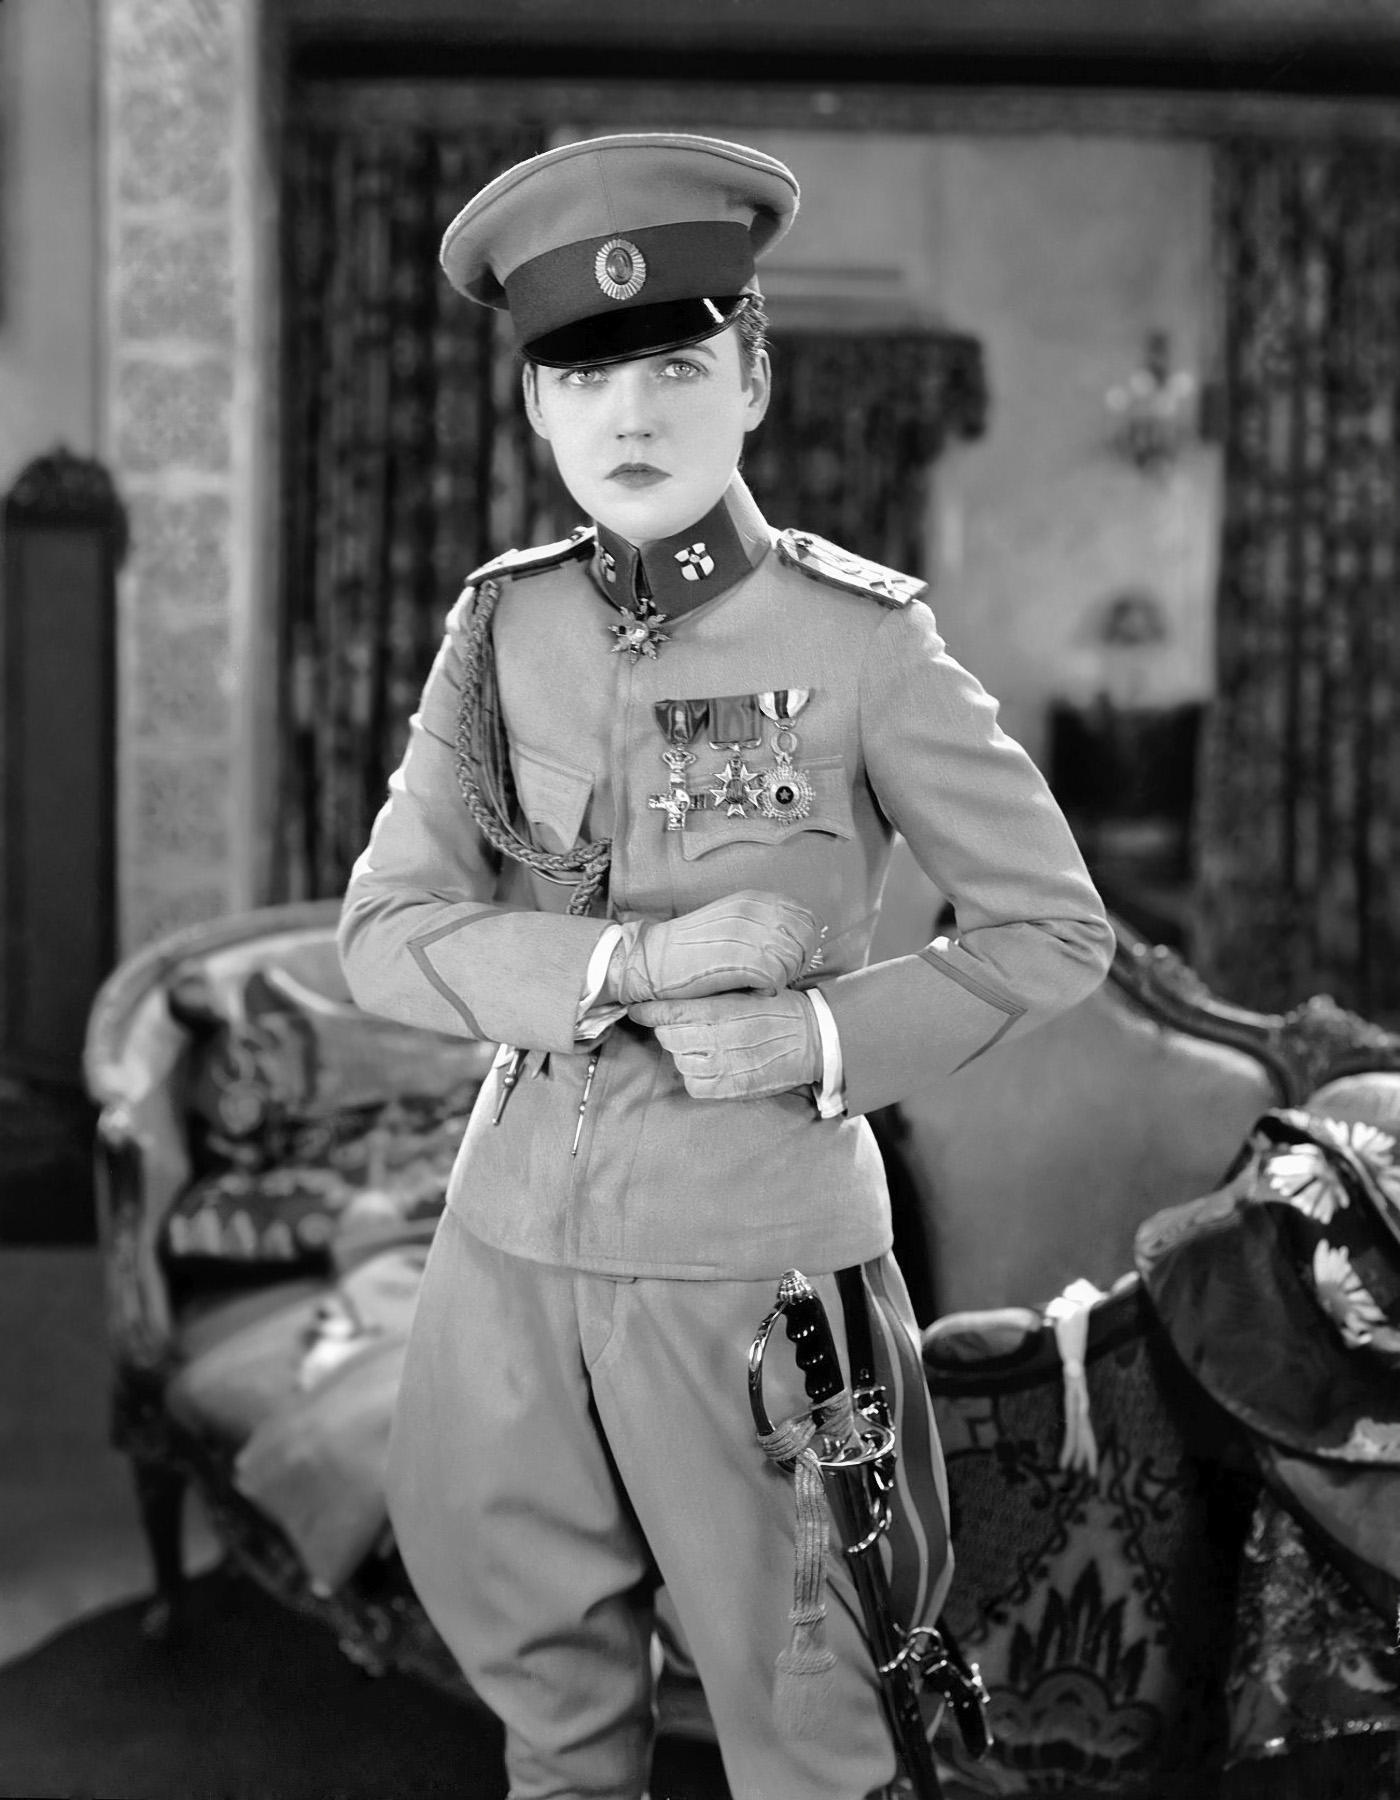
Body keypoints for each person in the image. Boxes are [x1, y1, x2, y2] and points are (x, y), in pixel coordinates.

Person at [338, 132, 1115, 1800]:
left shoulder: (863, 642)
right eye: (584, 376)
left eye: (676, 368)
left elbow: (1055, 929)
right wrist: (637, 958)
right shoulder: (501, 630)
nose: (630, 417)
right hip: (510, 1245)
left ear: (751, 382)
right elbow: (383, 934)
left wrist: (816, 1039)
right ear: (536, 406)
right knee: (550, 1721)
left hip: (754, 1269)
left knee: (816, 1729)